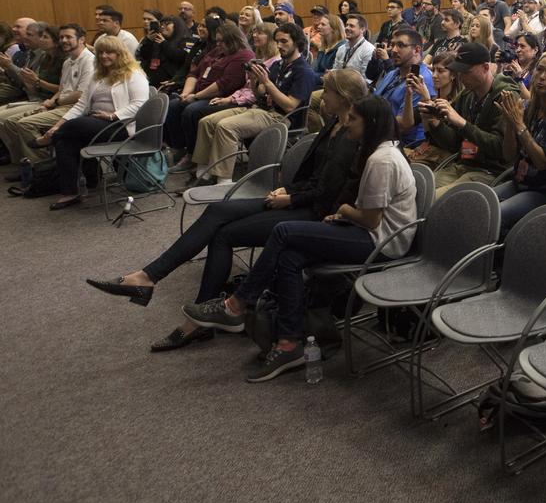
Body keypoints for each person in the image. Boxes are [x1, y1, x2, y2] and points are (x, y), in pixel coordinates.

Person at [86, 69, 366, 351]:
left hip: (314, 213)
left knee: (224, 235)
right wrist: (287, 190)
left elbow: (330, 193)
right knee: (218, 212)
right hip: (299, 198)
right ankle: (150, 278)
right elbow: (315, 176)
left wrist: (291, 198)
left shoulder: (353, 135)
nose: (321, 96)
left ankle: (193, 319)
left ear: (343, 97)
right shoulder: (334, 125)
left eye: (327, 91)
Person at [182, 96, 418, 382]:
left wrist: (343, 210)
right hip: (368, 231)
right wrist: (344, 216)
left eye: (353, 119)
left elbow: (371, 219)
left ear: (370, 124)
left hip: (381, 243)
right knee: (290, 256)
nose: (348, 123)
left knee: (284, 231)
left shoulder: (382, 160)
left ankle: (236, 305)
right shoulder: (377, 152)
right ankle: (288, 342)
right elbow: (369, 212)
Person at [189, 23, 316, 186]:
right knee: (206, 122)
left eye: (284, 41)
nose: (279, 46)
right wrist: (255, 79)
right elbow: (260, 95)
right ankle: (203, 174)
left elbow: (290, 106)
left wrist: (267, 84)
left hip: (282, 117)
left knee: (226, 127)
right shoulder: (279, 65)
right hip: (260, 109)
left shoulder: (303, 71)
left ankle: (223, 181)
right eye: (277, 41)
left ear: (297, 43)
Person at [40, 36, 149, 211]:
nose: (104, 56)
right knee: (65, 141)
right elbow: (81, 105)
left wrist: (113, 115)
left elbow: (140, 105)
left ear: (120, 54)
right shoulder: (97, 76)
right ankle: (71, 192)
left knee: (76, 126)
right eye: (101, 53)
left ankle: (49, 139)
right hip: (94, 123)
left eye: (110, 52)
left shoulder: (134, 74)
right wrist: (57, 125)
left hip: (120, 126)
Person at [493, 51, 546, 232]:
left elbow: (543, 163)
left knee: (494, 214)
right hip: (518, 181)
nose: (542, 77)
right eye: (539, 70)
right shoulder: (529, 107)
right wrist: (509, 125)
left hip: (544, 190)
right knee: (479, 204)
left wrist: (519, 126)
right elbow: (508, 156)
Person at [421, 41, 518, 195]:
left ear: (486, 67)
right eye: (458, 71)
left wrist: (462, 123)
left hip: (489, 171)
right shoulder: (467, 95)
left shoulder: (506, 96)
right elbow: (454, 144)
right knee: (418, 191)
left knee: (433, 200)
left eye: (466, 71)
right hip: (463, 163)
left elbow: (500, 149)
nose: (461, 76)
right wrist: (435, 123)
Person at [0, 23, 95, 166]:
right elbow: (62, 89)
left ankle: (42, 166)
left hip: (76, 106)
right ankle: (24, 165)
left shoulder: (89, 60)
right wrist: (50, 102)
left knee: (25, 124)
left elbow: (80, 95)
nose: (63, 40)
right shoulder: (68, 61)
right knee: (11, 121)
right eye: (62, 37)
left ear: (81, 39)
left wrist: (54, 102)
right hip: (59, 103)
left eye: (68, 37)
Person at [165, 22, 252, 171]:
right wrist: (186, 93)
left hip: (224, 98)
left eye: (221, 41)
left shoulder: (243, 56)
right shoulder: (216, 51)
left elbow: (224, 84)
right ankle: (180, 148)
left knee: (192, 111)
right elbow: (195, 72)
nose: (218, 44)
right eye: (217, 41)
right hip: (200, 93)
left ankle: (194, 156)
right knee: (173, 105)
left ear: (233, 40)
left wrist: (196, 96)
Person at [375, 28, 435, 149]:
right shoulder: (393, 73)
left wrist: (368, 125)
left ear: (417, 50)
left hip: (403, 144)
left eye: (401, 45)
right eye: (392, 45)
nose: (394, 50)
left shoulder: (422, 80)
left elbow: (403, 124)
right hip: (382, 135)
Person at [136, 15, 188, 88]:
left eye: (167, 24)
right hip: (151, 83)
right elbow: (144, 55)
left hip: (172, 84)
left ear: (177, 26)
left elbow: (181, 56)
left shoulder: (186, 40)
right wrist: (148, 40)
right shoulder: (158, 40)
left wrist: (164, 44)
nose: (162, 27)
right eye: (161, 24)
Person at [501, 33, 540, 100]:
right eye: (517, 46)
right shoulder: (512, 66)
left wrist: (518, 79)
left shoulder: (539, 71)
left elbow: (531, 100)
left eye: (522, 46)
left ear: (535, 50)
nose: (518, 50)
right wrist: (499, 67)